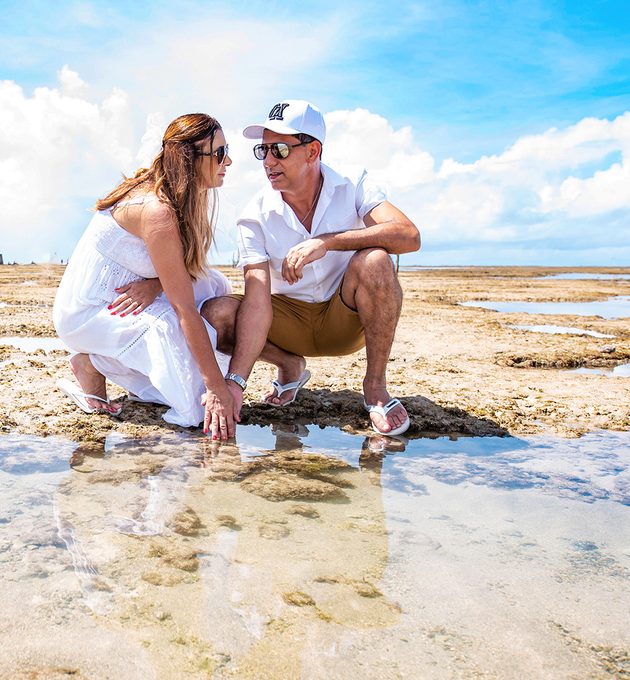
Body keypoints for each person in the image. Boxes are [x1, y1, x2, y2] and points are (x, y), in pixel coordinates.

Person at [200, 100, 421, 436]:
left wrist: (327, 242)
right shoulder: (254, 216)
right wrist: (235, 383)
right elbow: (257, 303)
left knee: (376, 260)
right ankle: (289, 365)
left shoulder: (353, 182)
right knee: (216, 314)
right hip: (286, 325)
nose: (268, 161)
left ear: (313, 151)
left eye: (279, 150)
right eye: (263, 150)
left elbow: (408, 235)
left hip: (345, 318)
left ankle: (375, 386)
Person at [52, 114, 262, 440]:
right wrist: (215, 387)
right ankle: (93, 363)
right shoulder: (157, 210)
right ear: (189, 159)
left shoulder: (178, 191)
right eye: (220, 153)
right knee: (196, 404)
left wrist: (156, 284)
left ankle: (132, 368)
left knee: (216, 284)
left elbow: (179, 267)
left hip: (128, 290)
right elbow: (184, 309)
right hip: (92, 309)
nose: (228, 161)